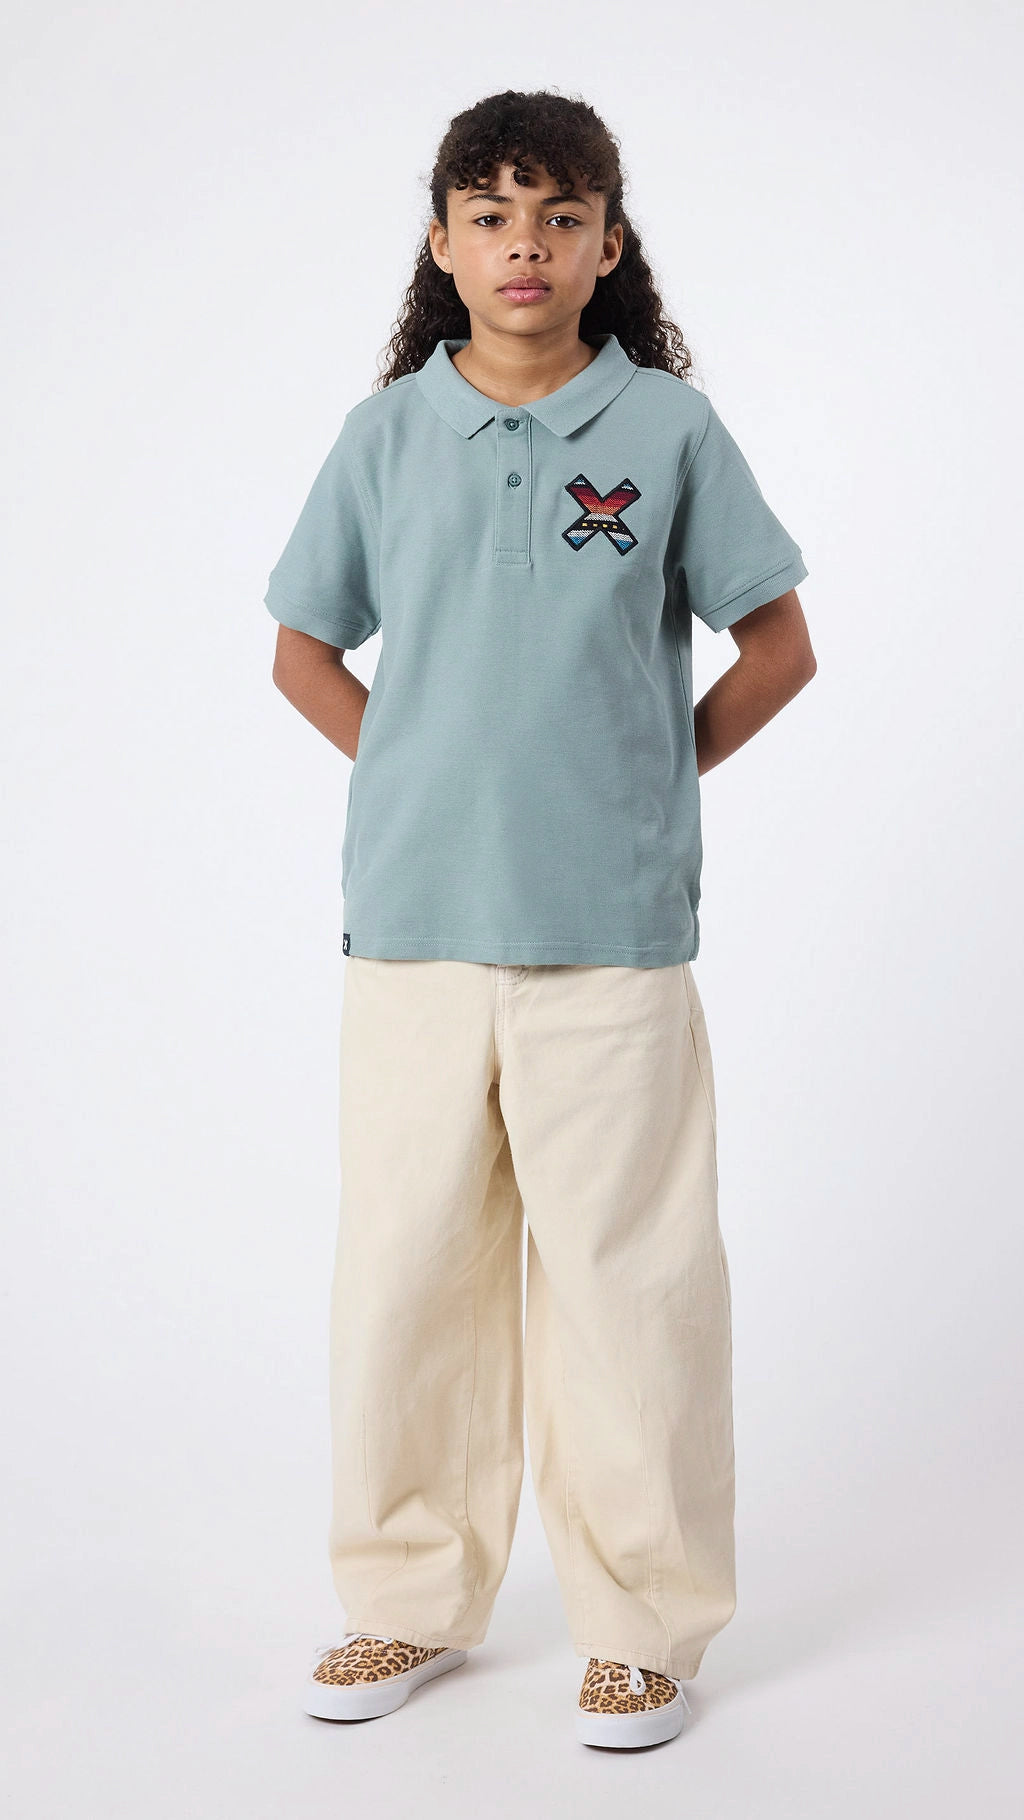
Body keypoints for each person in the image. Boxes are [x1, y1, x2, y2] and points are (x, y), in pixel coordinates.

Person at [264, 88, 816, 1752]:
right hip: (415, 930)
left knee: (630, 1288)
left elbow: (779, 648)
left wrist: (646, 776)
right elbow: (303, 651)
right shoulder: (384, 438)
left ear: (608, 244)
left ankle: (644, 1629)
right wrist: (417, 772)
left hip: (611, 941)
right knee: (406, 1277)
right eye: (493, 215)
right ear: (442, 243)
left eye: (561, 216)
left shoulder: (671, 432)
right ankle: (406, 1598)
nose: (528, 245)